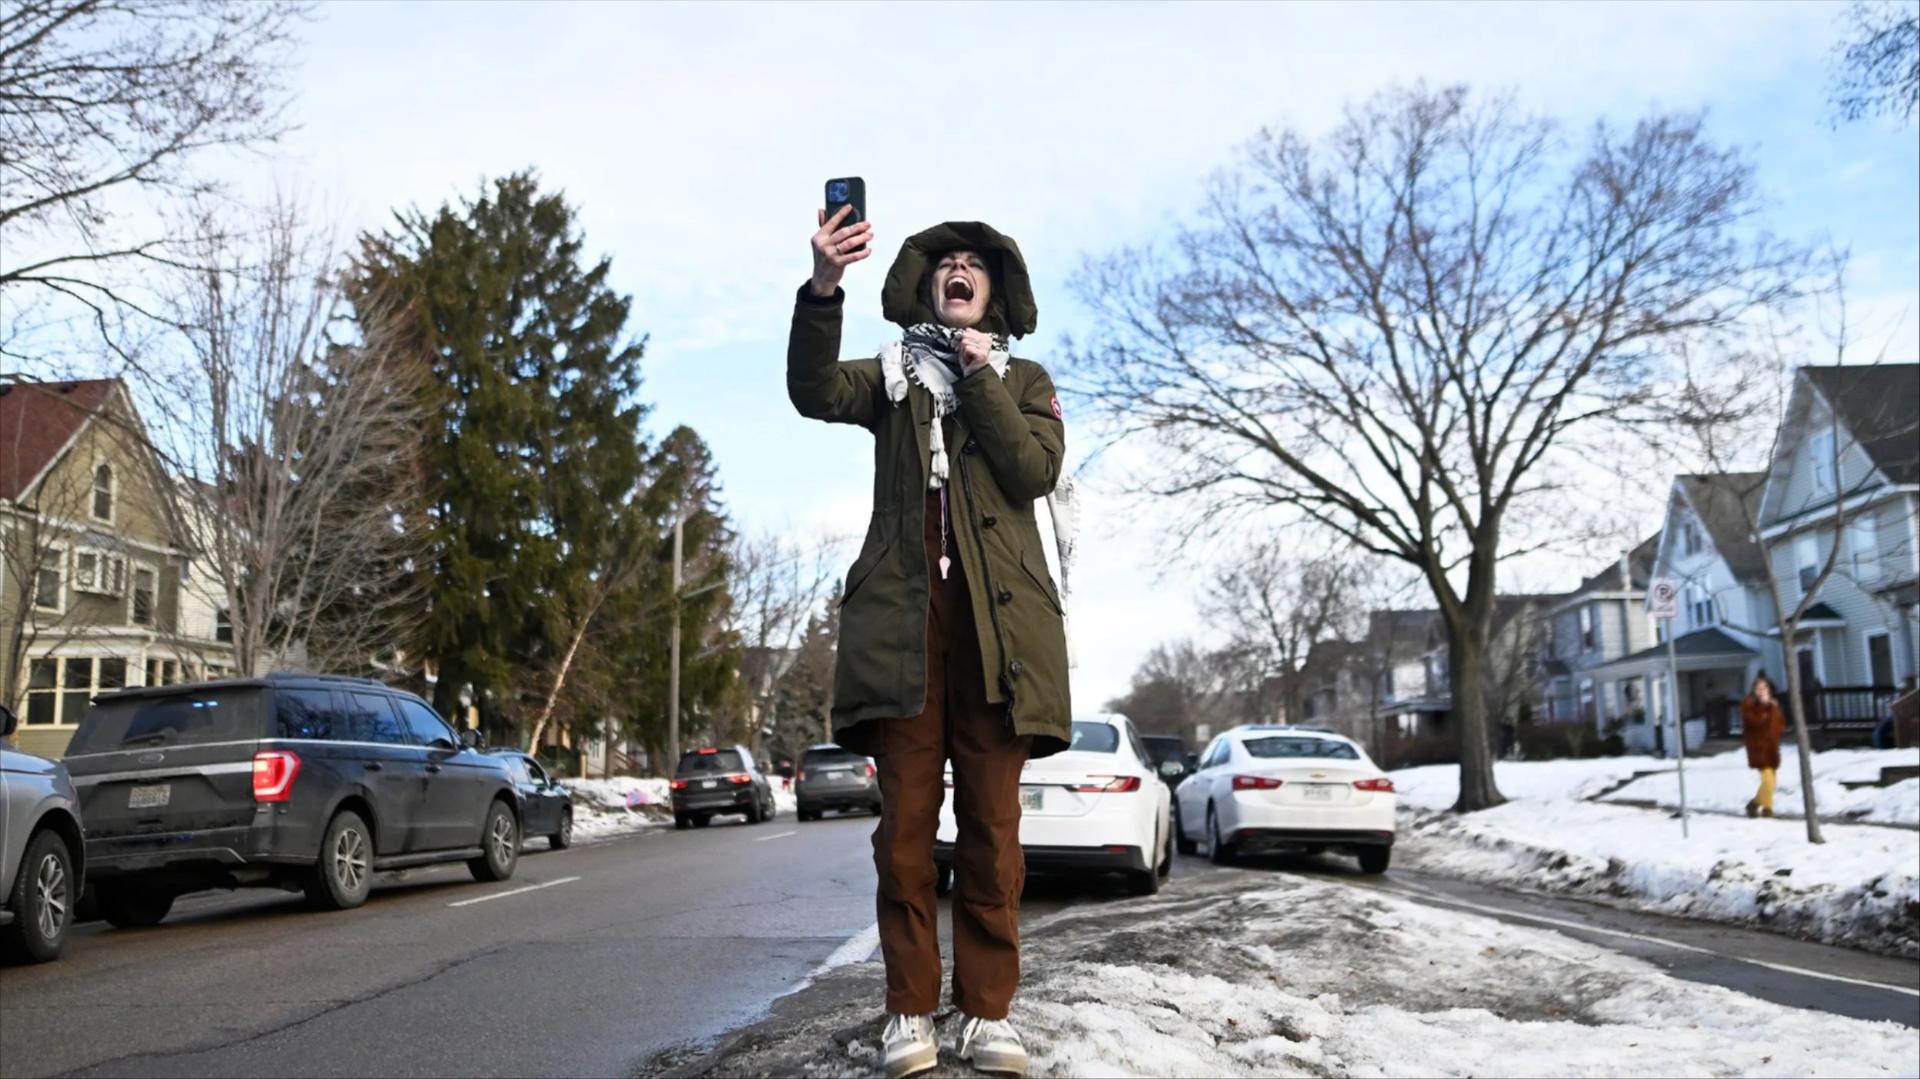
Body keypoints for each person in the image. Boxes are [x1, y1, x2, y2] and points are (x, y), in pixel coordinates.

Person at [787, 206, 1072, 1079]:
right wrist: (823, 288)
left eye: (973, 264)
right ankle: (909, 1008)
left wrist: (980, 376)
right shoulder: (888, 374)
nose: (958, 269)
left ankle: (987, 1014)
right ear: (925, 282)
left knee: (993, 832)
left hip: (1000, 638)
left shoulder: (1023, 379)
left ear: (993, 293)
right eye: (944, 261)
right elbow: (810, 391)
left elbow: (1034, 470)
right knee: (905, 834)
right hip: (905, 633)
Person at [1740, 673, 1785, 818]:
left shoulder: (1773, 706)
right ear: (1753, 690)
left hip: (1771, 748)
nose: (1762, 690)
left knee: (1772, 783)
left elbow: (1780, 725)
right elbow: (1756, 723)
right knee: (1768, 781)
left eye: (1764, 687)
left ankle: (1753, 805)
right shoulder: (1748, 705)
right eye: (1758, 688)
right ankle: (1767, 810)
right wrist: (1765, 707)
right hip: (1758, 748)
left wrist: (1773, 709)